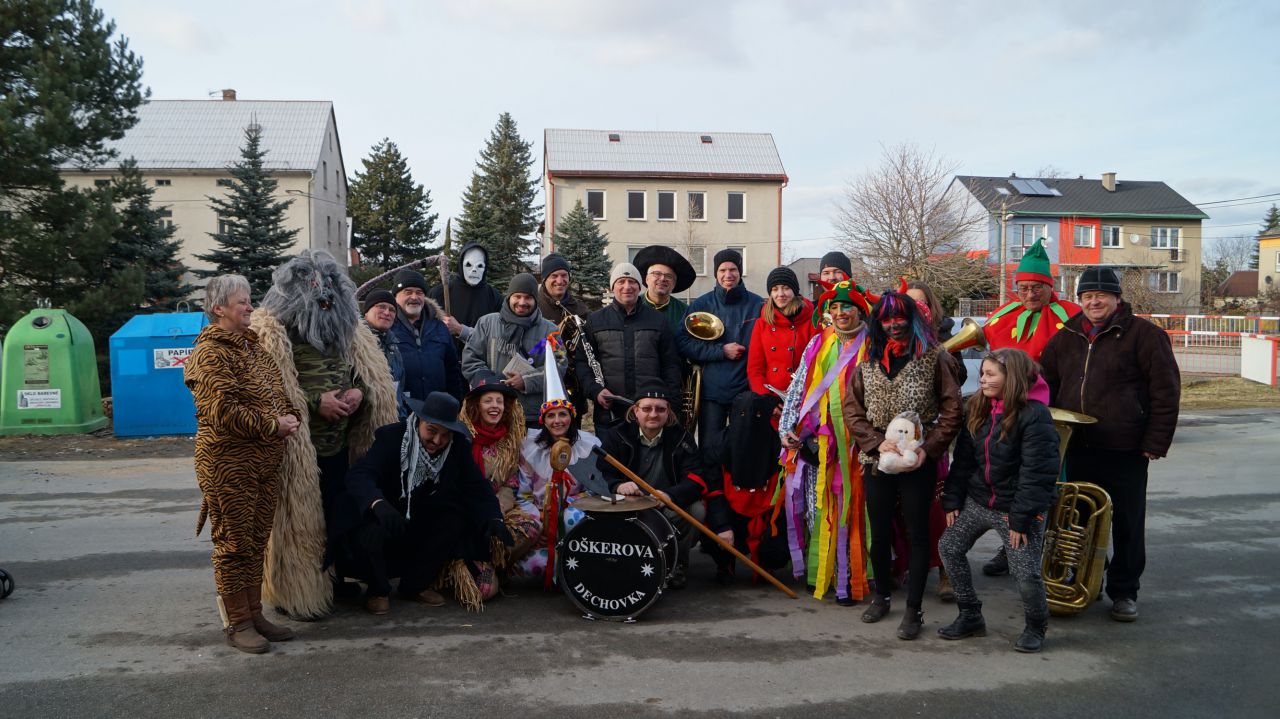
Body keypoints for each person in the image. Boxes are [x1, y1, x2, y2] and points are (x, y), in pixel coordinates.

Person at [252, 250, 400, 620]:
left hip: (339, 448)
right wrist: (316, 403)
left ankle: (334, 577)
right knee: (298, 523)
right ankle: (295, 591)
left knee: (337, 517)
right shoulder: (276, 336)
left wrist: (358, 394)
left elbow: (360, 376)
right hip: (298, 450)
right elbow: (272, 390)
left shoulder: (345, 334)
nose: (324, 298)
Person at [1040, 266, 1180, 622]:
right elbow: (1045, 386)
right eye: (1087, 296)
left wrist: (1155, 441)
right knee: (1076, 520)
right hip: (1077, 445)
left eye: (1101, 295)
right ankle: (1082, 581)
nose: (1094, 301)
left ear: (1117, 298)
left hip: (1126, 447)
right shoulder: (1066, 335)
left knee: (1128, 523)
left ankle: (1125, 590)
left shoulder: (1146, 336)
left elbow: (1166, 392)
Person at [185, 274, 300, 654]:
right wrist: (272, 425)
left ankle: (254, 614)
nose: (251, 306)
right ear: (218, 308)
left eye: (250, 300)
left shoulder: (254, 349)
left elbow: (279, 394)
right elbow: (220, 410)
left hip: (264, 462)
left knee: (255, 542)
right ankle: (237, 623)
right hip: (228, 464)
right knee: (233, 545)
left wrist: (292, 416)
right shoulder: (209, 353)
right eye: (242, 302)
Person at [843, 289, 962, 640]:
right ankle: (881, 596)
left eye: (900, 317)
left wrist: (930, 448)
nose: (894, 325)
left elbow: (953, 409)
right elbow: (852, 410)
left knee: (917, 532)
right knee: (879, 532)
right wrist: (876, 442)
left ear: (912, 319)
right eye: (886, 319)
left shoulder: (935, 357)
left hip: (918, 460)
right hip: (877, 459)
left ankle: (914, 609)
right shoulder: (867, 362)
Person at [343, 392, 509, 614]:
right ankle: (377, 590)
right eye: (431, 431)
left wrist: (494, 516)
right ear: (419, 421)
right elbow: (360, 474)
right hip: (386, 509)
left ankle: (415, 585)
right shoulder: (392, 438)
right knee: (368, 531)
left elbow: (476, 486)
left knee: (453, 521)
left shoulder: (457, 446)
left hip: (422, 513)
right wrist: (377, 502)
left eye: (445, 435)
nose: (437, 441)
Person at [938, 348, 1059, 653]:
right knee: (949, 547)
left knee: (1024, 572)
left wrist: (1021, 519)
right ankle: (970, 615)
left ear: (1012, 377)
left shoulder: (1036, 415)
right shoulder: (978, 406)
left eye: (990, 374)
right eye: (982, 373)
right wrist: (952, 500)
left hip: (1016, 510)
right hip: (980, 500)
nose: (982, 379)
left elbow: (1037, 474)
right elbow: (963, 461)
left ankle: (1036, 627)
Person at [979, 239, 1079, 577]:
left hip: (1050, 415)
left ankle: (1060, 555)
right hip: (1008, 415)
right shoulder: (1003, 315)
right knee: (1009, 482)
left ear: (1050, 287)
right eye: (1023, 287)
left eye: (1037, 287)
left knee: (1050, 487)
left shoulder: (1071, 316)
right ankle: (1010, 549)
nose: (1030, 294)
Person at [778, 279, 876, 603]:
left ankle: (850, 579)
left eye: (847, 306)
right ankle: (821, 572)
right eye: (835, 307)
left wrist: (871, 438)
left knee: (852, 509)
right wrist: (787, 428)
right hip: (818, 440)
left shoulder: (873, 345)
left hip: (858, 442)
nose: (841, 312)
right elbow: (798, 388)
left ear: (860, 310)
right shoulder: (817, 343)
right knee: (817, 505)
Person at [600, 382, 733, 588]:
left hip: (665, 506)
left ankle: (677, 564)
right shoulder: (616, 435)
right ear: (635, 411)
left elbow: (696, 479)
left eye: (660, 409)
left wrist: (670, 495)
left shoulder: (682, 438)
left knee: (696, 510)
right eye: (647, 408)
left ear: (668, 411)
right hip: (627, 505)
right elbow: (602, 473)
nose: (653, 414)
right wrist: (618, 485)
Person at [513, 360, 605, 583]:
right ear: (543, 420)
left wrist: (562, 513)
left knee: (573, 520)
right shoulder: (530, 449)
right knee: (530, 566)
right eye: (551, 416)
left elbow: (594, 490)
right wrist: (541, 524)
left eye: (562, 414)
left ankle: (579, 566)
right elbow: (523, 495)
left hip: (574, 520)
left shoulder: (588, 446)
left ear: (571, 416)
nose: (557, 421)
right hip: (540, 519)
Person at [904, 279, 961, 601]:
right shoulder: (892, 336)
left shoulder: (944, 337)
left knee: (938, 507)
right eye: (908, 302)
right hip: (902, 435)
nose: (915, 308)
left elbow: (956, 384)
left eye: (920, 302)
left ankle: (946, 569)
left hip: (932, 434)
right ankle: (911, 565)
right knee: (905, 508)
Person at [676, 249, 764, 456]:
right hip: (711, 393)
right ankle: (712, 479)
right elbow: (682, 342)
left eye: (733, 269)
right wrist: (720, 351)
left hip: (746, 391)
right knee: (709, 449)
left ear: (740, 272)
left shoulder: (758, 305)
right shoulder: (701, 304)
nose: (728, 275)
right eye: (722, 270)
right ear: (716, 273)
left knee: (744, 449)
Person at [576, 262, 684, 429]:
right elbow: (583, 363)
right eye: (621, 281)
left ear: (639, 286)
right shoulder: (595, 321)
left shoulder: (658, 320)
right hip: (609, 413)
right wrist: (595, 391)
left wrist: (670, 402)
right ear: (613, 287)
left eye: (632, 282)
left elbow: (671, 365)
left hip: (649, 413)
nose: (627, 287)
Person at [459, 375, 539, 578]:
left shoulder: (508, 441)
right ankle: (468, 564)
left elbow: (510, 483)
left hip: (497, 509)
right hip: (466, 512)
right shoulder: (461, 438)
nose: (495, 406)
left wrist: (497, 508)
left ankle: (496, 564)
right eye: (488, 401)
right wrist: (481, 509)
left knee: (531, 527)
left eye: (499, 401)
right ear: (477, 405)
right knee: (484, 590)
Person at [462, 272, 562, 424]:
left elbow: (559, 367)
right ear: (509, 297)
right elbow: (471, 360)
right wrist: (492, 384)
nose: (522, 302)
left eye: (528, 298)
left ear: (535, 300)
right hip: (493, 414)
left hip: (531, 415)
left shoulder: (550, 331)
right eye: (517, 296)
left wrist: (526, 380)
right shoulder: (486, 323)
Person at [391, 269, 466, 402]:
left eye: (419, 292)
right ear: (396, 297)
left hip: (437, 407)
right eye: (408, 292)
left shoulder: (440, 327)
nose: (414, 297)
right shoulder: (388, 328)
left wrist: (455, 404)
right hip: (400, 408)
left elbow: (452, 371)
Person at [748, 266, 817, 398]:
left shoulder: (810, 321)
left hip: (803, 396)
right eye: (775, 289)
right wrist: (767, 400)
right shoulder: (762, 324)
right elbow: (755, 369)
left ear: (794, 291)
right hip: (771, 396)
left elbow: (815, 364)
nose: (780, 294)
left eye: (786, 288)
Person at [429, 242, 503, 349]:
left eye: (480, 266)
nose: (474, 270)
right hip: (446, 357)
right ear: (461, 264)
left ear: (485, 267)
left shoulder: (494, 297)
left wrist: (459, 329)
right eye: (468, 264)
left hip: (480, 358)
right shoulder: (439, 293)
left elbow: (499, 337)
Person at [362, 288, 410, 419]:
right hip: (367, 422)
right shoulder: (354, 344)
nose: (387, 312)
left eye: (392, 309)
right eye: (381, 307)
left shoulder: (394, 345)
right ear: (366, 312)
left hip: (394, 420)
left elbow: (399, 389)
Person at [634, 245, 697, 337]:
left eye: (669, 276)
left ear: (674, 283)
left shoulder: (686, 312)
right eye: (657, 274)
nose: (663, 279)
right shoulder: (632, 307)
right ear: (647, 279)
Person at [536, 253, 590, 325]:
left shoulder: (580, 309)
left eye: (564, 275)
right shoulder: (533, 309)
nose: (559, 281)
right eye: (554, 276)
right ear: (544, 280)